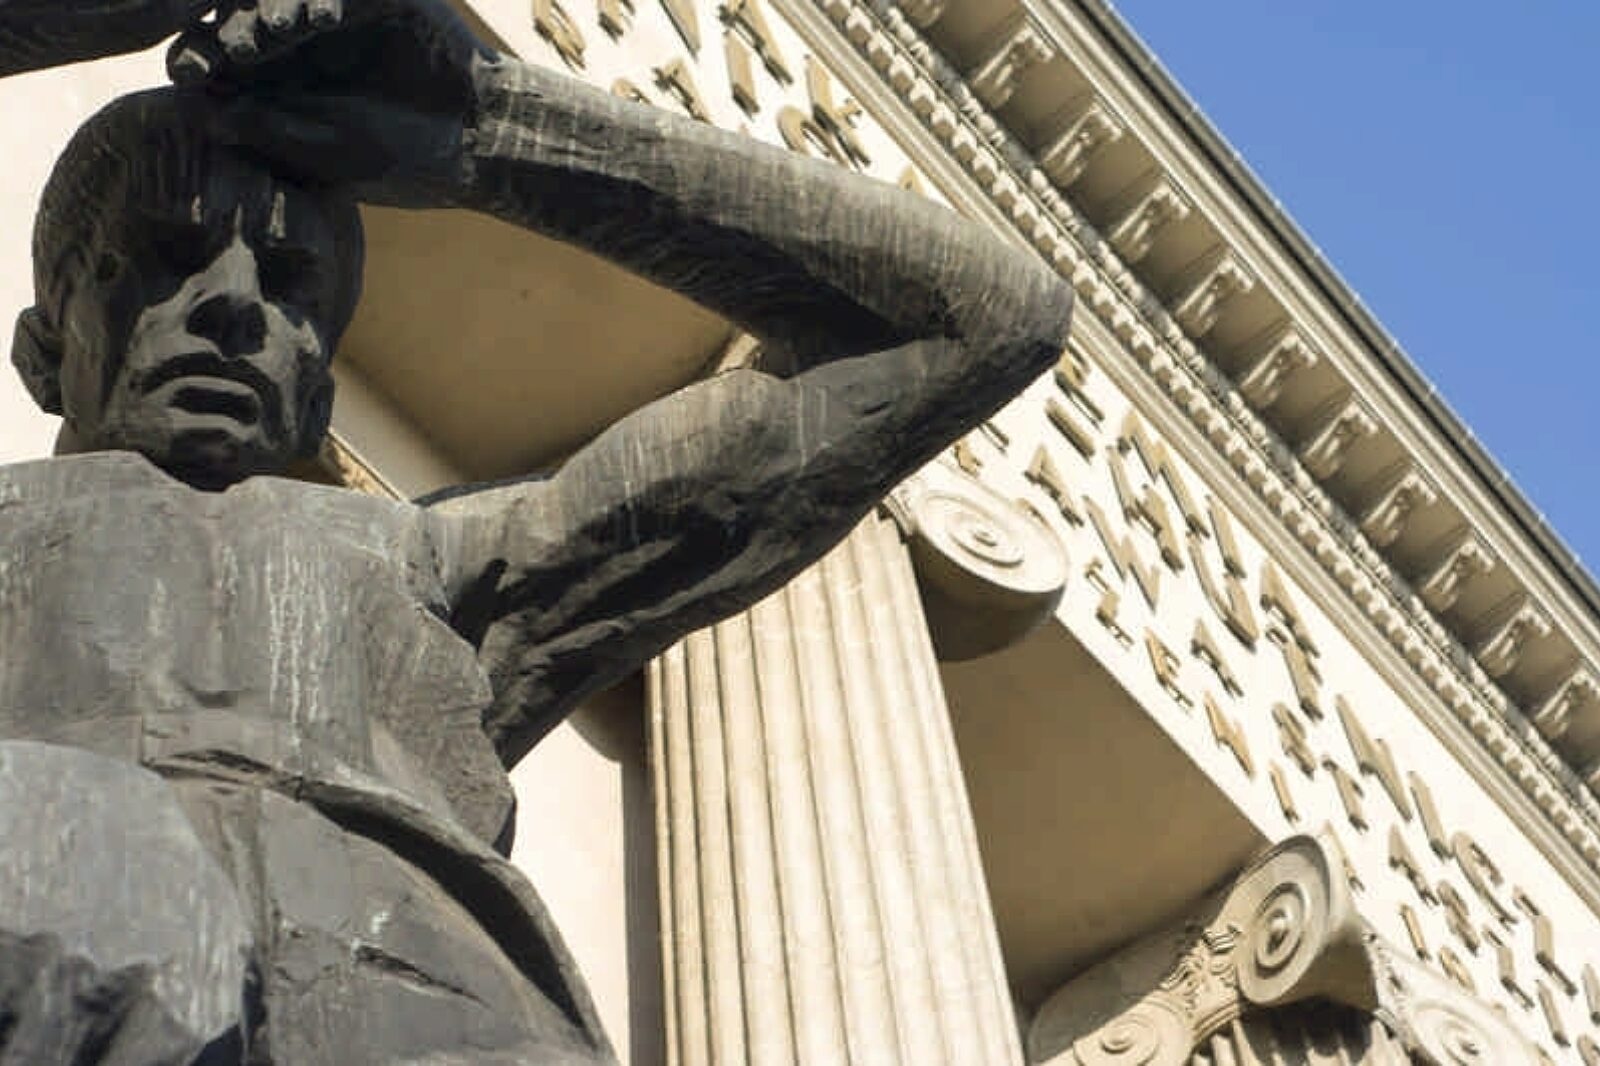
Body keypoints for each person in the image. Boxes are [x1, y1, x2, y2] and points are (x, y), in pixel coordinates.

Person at [0, 1, 1073, 1060]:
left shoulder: (428, 572)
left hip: (417, 1014)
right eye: (167, 255)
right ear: (44, 351)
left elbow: (980, 322)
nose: (233, 306)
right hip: (58, 943)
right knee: (95, 845)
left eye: (289, 285)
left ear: (318, 395)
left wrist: (487, 128)